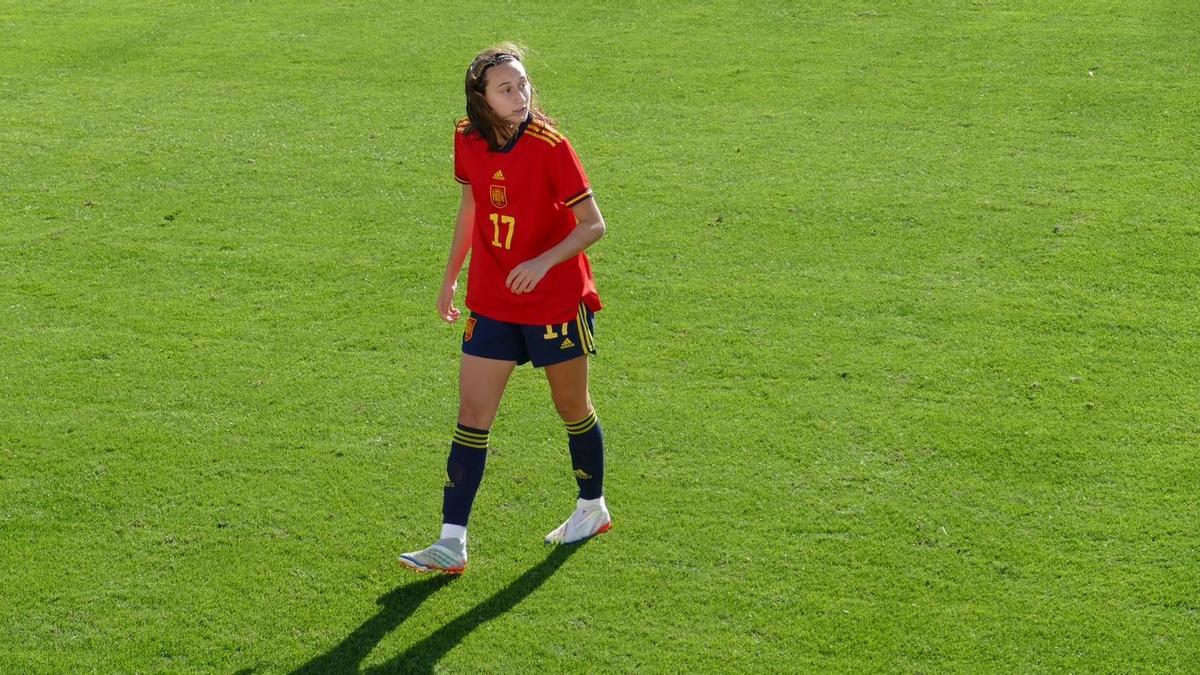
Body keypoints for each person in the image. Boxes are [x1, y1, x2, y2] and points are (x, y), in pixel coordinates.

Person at [399, 44, 611, 575]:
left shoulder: (551, 145)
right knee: (472, 416)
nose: (521, 96)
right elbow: (471, 205)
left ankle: (592, 507)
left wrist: (542, 263)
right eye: (507, 89)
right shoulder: (466, 139)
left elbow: (593, 225)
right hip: (492, 299)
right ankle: (451, 543)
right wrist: (450, 279)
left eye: (523, 84)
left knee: (571, 408)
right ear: (481, 99)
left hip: (554, 299)